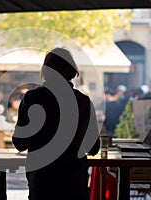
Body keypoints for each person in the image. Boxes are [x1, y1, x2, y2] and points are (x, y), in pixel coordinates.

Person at [12, 48, 100, 200]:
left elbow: (20, 143)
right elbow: (93, 147)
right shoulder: (83, 102)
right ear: (72, 71)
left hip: (42, 179)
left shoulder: (33, 98)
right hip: (74, 180)